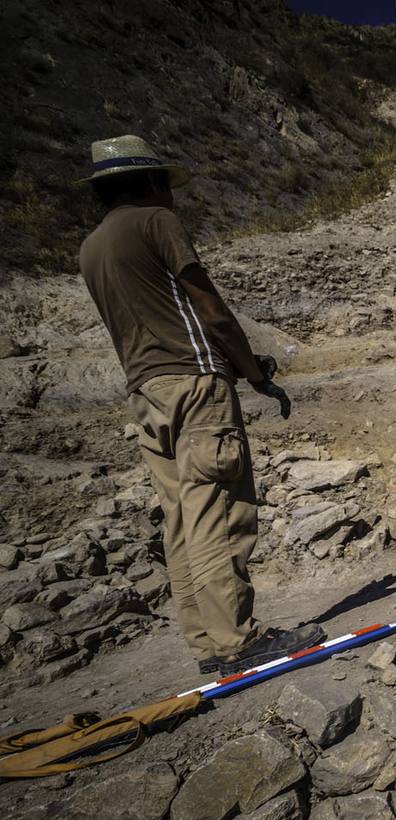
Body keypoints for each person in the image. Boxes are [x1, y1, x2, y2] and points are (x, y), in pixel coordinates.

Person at [77, 135, 323, 675]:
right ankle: (238, 639)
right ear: (147, 182)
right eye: (164, 181)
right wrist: (254, 373)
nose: (171, 193)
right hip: (194, 383)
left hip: (145, 393)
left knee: (181, 518)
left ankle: (207, 641)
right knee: (219, 508)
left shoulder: (91, 247)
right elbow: (208, 308)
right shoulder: (155, 223)